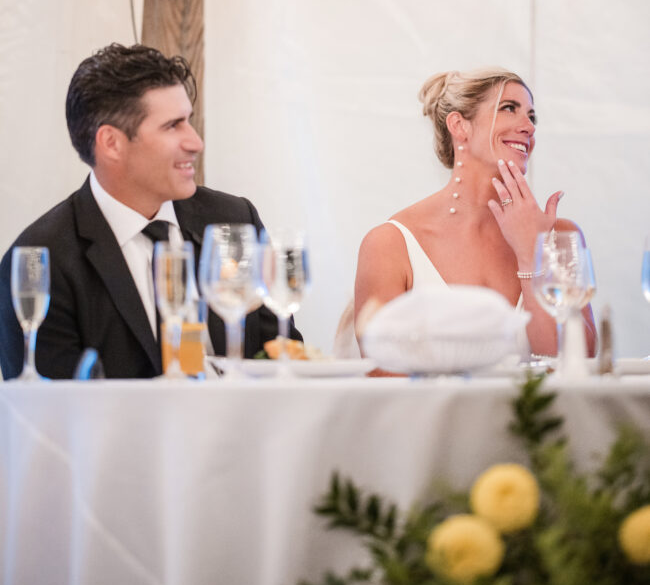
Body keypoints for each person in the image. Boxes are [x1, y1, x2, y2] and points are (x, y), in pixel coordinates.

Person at [0, 43, 301, 379]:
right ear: (111, 143)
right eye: (173, 126)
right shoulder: (44, 259)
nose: (195, 142)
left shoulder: (231, 221)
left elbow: (281, 358)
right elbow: (50, 416)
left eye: (189, 121)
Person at [354, 67, 596, 359]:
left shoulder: (561, 237)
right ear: (459, 126)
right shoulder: (389, 244)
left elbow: (577, 364)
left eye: (532, 117)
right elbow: (384, 375)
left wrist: (532, 251)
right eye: (509, 108)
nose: (529, 127)